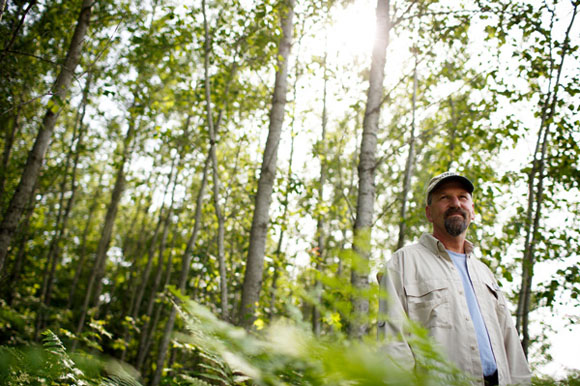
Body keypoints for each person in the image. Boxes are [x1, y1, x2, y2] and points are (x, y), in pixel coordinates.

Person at [378, 172, 531, 385]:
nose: (455, 203)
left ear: (473, 211)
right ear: (429, 213)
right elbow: (393, 344)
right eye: (444, 197)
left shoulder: (485, 273)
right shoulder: (402, 264)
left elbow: (509, 340)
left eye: (462, 197)